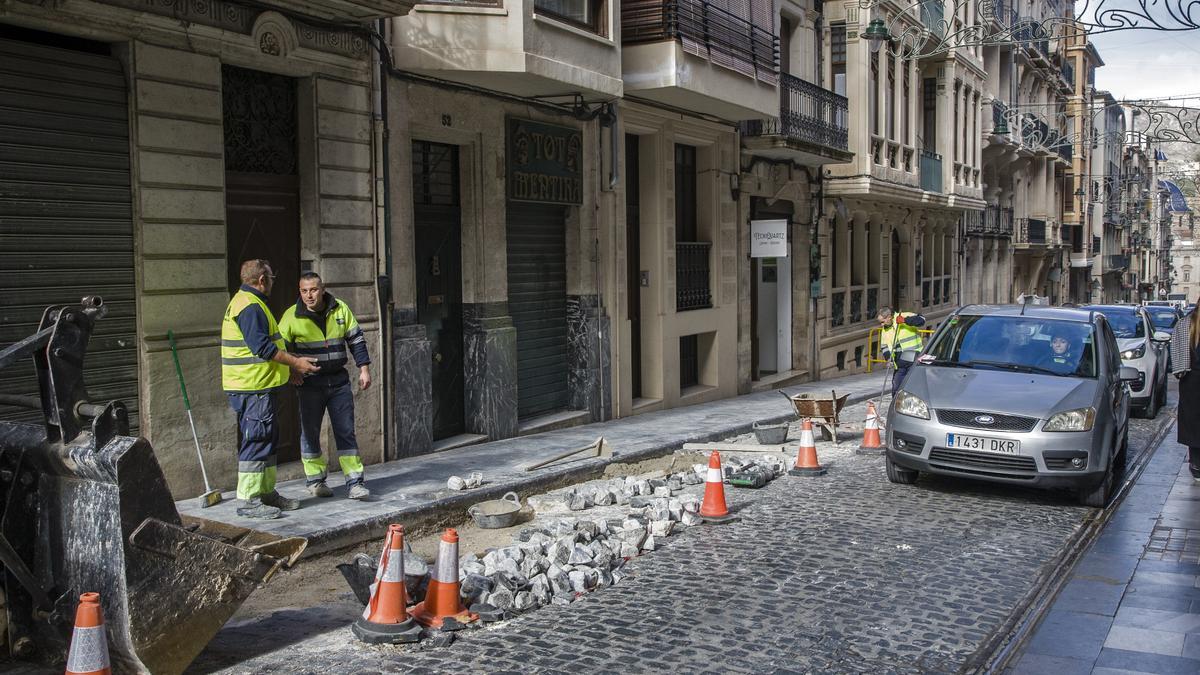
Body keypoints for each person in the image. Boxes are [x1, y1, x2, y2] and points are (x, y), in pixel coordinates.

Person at [222, 259, 320, 520]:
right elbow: (263, 349)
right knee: (256, 440)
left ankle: (266, 493)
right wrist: (296, 362)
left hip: (259, 385)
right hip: (252, 387)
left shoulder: (249, 303)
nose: (274, 282)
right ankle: (248, 500)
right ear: (262, 280)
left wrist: (289, 367)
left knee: (266, 439)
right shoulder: (250, 307)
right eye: (272, 278)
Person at [279, 272, 373, 500]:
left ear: (322, 289)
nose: (308, 295)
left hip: (338, 382)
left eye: (313, 290)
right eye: (304, 291)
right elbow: (280, 349)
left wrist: (364, 368)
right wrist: (292, 370)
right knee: (310, 432)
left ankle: (354, 483)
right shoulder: (291, 316)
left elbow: (356, 339)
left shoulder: (340, 309)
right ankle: (315, 482)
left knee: (345, 431)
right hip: (310, 384)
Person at [878, 307, 927, 396]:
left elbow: (922, 320)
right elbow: (884, 346)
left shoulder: (904, 315)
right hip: (899, 362)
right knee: (896, 387)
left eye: (882, 321)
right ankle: (895, 406)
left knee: (912, 387)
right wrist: (889, 358)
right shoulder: (885, 329)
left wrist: (905, 320)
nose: (881, 325)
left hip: (913, 359)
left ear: (889, 317)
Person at [1176, 303, 1200, 481]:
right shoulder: (1186, 324)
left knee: (1192, 421)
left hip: (1190, 379)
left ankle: (1196, 462)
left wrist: (1181, 370)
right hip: (1191, 379)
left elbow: (1177, 352)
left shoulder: (1185, 324)